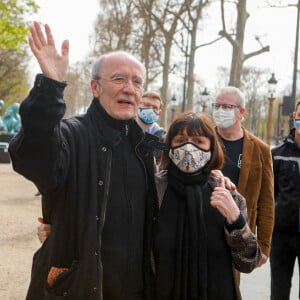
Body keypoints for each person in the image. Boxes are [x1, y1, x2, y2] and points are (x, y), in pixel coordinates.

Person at [9, 21, 162, 300]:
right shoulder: (71, 134)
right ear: (94, 87)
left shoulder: (144, 146)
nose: (130, 88)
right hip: (78, 288)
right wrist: (50, 89)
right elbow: (33, 156)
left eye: (137, 82)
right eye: (118, 79)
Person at [153, 111, 262, 300]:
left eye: (198, 141)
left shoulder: (229, 196)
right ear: (169, 145)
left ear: (212, 147)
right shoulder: (153, 191)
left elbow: (248, 262)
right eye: (180, 140)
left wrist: (236, 220)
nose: (189, 148)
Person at [211, 86, 274, 269]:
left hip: (238, 233)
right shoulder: (204, 140)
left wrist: (263, 246)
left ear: (241, 111)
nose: (220, 111)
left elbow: (267, 201)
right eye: (217, 106)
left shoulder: (261, 149)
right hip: (205, 228)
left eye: (227, 107)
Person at [270, 100, 300, 300]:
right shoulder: (277, 154)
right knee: (279, 290)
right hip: (282, 234)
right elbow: (269, 193)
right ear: (294, 116)